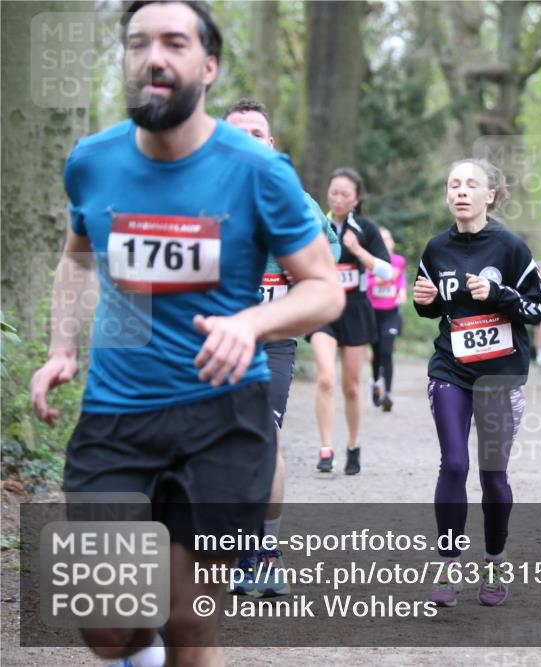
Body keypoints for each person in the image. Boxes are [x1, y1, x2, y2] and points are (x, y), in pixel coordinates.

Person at [28, 3, 343, 666]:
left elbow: (324, 287)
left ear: (209, 65)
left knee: (187, 619)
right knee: (109, 626)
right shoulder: (92, 161)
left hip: (223, 417)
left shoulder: (258, 170)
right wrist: (62, 345)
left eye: (174, 42)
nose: (154, 57)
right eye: (138, 43)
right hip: (116, 416)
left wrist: (250, 321)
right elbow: (78, 253)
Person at [413, 158, 541, 607]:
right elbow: (432, 304)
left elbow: (538, 309)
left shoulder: (510, 249)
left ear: (491, 194)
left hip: (498, 374)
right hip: (450, 368)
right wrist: (425, 302)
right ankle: (448, 569)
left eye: (472, 184)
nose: (461, 191)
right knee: (453, 464)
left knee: (493, 478)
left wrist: (500, 295)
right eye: (454, 184)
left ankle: (494, 562)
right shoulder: (435, 249)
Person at [222, 97, 341, 598]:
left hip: (269, 342)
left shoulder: (295, 199)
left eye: (258, 134)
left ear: (271, 145)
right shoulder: (195, 194)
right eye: (237, 134)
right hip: (205, 342)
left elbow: (326, 267)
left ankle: (265, 551)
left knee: (262, 440)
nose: (248, 142)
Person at [309, 168, 392, 475]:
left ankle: (353, 445)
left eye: (345, 194)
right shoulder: (316, 224)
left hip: (355, 309)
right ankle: (326, 448)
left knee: (352, 387)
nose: (339, 198)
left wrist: (358, 250)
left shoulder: (366, 228)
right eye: (334, 193)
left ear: (356, 198)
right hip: (323, 307)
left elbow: (387, 272)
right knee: (326, 377)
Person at [367, 226, 407, 412]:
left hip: (391, 312)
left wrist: (403, 291)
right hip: (372, 313)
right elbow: (366, 283)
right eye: (380, 239)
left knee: (387, 350)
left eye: (387, 239)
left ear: (393, 243)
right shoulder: (369, 262)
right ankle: (375, 382)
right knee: (376, 352)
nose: (384, 243)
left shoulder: (398, 261)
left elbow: (401, 280)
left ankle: (388, 394)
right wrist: (380, 281)